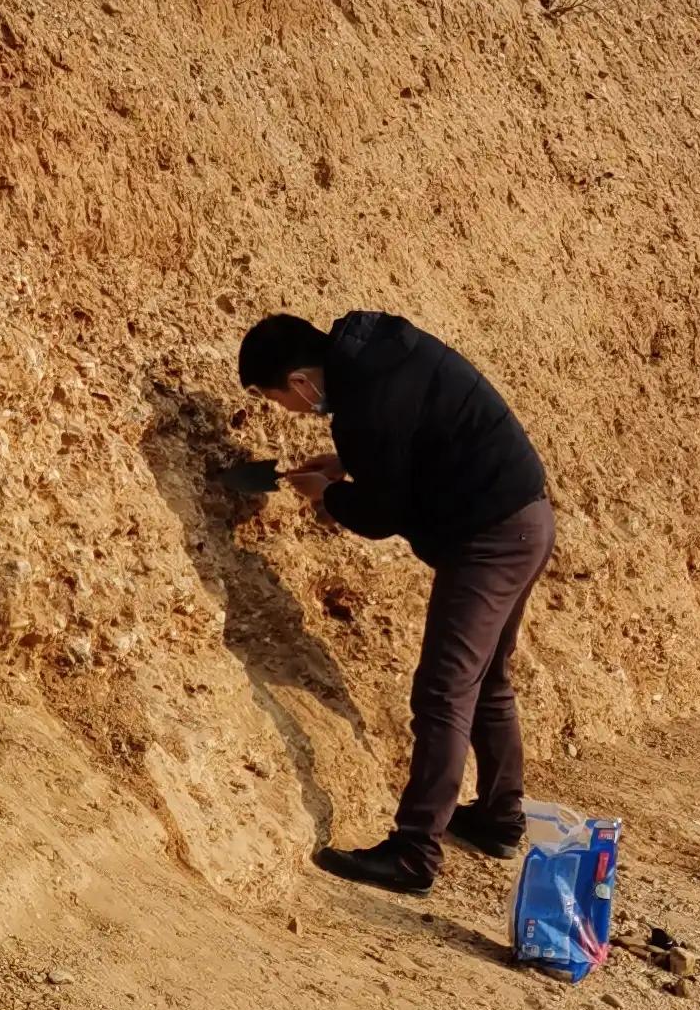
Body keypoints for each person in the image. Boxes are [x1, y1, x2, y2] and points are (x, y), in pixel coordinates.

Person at [237, 310, 553, 895]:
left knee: (443, 689)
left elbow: (382, 514)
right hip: (526, 516)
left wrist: (330, 495)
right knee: (488, 678)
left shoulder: (362, 405)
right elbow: (415, 436)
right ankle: (499, 817)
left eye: (277, 397)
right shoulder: (375, 354)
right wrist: (346, 466)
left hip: (490, 536)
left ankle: (414, 854)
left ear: (301, 381)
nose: (289, 410)